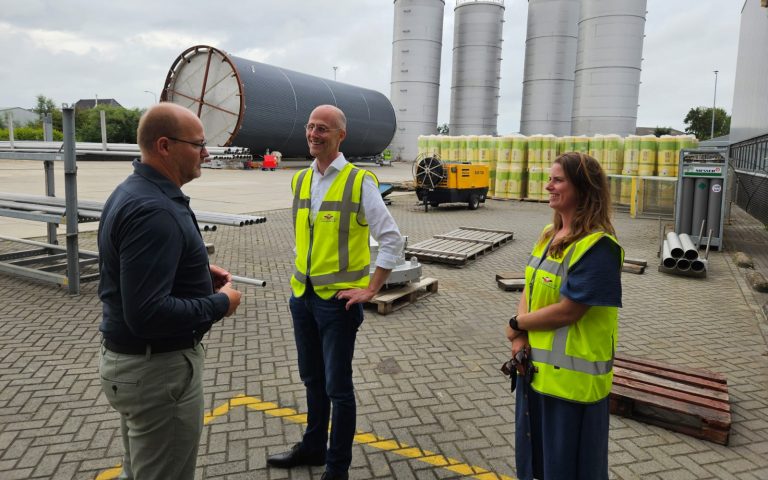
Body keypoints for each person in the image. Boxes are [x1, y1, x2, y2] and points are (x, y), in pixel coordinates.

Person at [98, 102, 242, 480]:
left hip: (136, 368)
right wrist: (219, 304)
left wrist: (191, 269)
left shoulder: (134, 192)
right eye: (198, 144)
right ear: (165, 145)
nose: (206, 153)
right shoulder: (153, 209)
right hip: (158, 372)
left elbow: (130, 270)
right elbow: (147, 313)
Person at [267, 105, 404, 480]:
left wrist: (372, 288)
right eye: (310, 127)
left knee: (338, 388)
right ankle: (313, 447)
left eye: (323, 129)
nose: (314, 134)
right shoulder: (301, 180)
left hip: (337, 304)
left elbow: (392, 240)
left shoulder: (360, 182)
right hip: (303, 297)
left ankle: (337, 467)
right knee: (312, 379)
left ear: (340, 135)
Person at [505, 152, 623, 480]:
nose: (548, 186)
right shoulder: (548, 234)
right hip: (535, 373)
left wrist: (517, 325)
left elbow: (570, 310)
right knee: (534, 466)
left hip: (572, 389)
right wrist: (520, 338)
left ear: (583, 189)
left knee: (568, 470)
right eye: (549, 179)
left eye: (557, 180)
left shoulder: (599, 246)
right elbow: (529, 288)